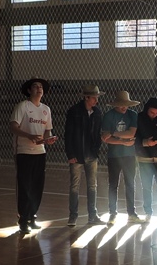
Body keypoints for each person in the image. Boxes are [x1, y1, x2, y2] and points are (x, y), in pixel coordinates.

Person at [10, 78, 57, 233]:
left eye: (41, 87)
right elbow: (13, 126)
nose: (39, 89)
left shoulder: (46, 109)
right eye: (35, 86)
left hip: (40, 152)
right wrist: (29, 136)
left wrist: (49, 139)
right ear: (29, 90)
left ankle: (32, 216)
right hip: (24, 151)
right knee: (25, 186)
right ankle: (23, 219)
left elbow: (47, 130)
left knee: (37, 186)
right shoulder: (23, 106)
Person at [65, 84, 104, 227]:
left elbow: (98, 133)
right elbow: (68, 134)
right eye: (94, 97)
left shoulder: (97, 112)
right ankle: (73, 215)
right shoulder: (74, 111)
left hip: (91, 154)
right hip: (77, 154)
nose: (96, 100)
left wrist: (96, 149)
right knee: (75, 186)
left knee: (92, 185)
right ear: (86, 97)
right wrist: (70, 153)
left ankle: (92, 215)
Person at [101, 90, 142, 225]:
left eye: (126, 105)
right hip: (114, 155)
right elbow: (106, 139)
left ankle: (131, 213)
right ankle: (112, 213)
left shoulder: (133, 114)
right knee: (113, 184)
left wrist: (114, 134)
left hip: (130, 155)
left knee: (130, 184)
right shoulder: (109, 116)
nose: (124, 107)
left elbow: (131, 133)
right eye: (121, 105)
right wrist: (123, 141)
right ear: (116, 104)